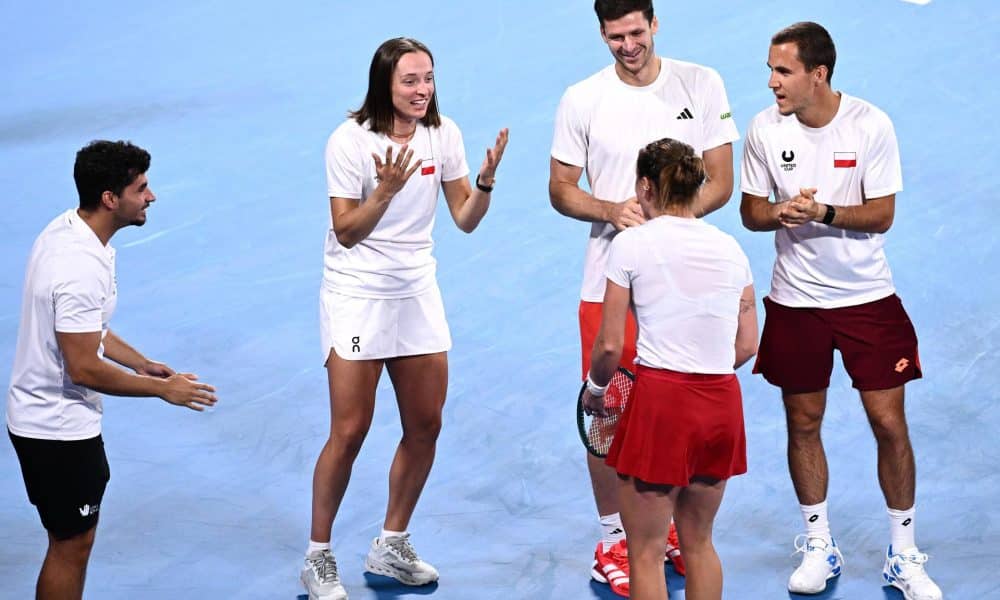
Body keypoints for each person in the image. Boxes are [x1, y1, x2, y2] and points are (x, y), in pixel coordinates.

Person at [740, 21, 942, 600]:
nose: (772, 82)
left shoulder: (870, 124)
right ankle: (818, 543)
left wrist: (823, 212)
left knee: (888, 423)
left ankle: (903, 554)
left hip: (866, 300)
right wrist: (782, 212)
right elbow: (751, 211)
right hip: (796, 300)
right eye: (771, 70)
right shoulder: (762, 128)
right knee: (803, 422)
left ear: (818, 74)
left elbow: (881, 215)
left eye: (783, 71)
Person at [301, 37, 508, 600]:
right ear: (384, 86)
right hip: (357, 294)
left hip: (416, 292)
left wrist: (485, 184)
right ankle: (317, 555)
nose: (422, 91)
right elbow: (347, 231)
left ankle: (391, 543)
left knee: (426, 424)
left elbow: (465, 217)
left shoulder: (444, 134)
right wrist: (386, 192)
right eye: (410, 82)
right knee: (350, 430)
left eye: (429, 79)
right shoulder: (349, 142)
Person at [548, 0, 739, 594]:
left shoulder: (701, 83)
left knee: (673, 408)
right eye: (614, 37)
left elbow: (722, 181)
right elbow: (560, 189)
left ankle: (665, 531)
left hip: (682, 285)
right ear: (601, 33)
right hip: (609, 284)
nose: (627, 46)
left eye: (636, 33)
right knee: (609, 411)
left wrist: (667, 222)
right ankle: (613, 535)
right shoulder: (582, 98)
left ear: (655, 24)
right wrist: (611, 209)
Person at [6, 140, 218, 600]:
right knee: (71, 546)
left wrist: (140, 362)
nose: (151, 196)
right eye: (141, 188)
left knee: (68, 540)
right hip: (58, 431)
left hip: (39, 420)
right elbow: (82, 366)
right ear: (110, 198)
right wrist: (162, 390)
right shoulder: (79, 267)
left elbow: (87, 330)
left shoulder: (68, 231)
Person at [582, 138, 757, 600]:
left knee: (645, 550)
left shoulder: (631, 245)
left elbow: (610, 344)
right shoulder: (731, 249)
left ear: (645, 187)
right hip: (722, 405)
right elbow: (747, 344)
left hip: (663, 404)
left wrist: (596, 390)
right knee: (699, 543)